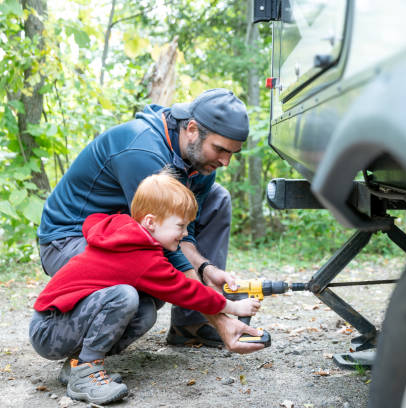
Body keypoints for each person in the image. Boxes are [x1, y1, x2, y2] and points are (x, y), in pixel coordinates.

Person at [37, 88, 254, 355]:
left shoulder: (201, 164)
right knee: (142, 291)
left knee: (218, 198)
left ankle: (191, 324)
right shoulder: (142, 150)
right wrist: (222, 319)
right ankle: (82, 361)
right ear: (193, 129)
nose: (226, 161)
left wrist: (205, 268)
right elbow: (166, 252)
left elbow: (183, 234)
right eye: (220, 149)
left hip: (128, 237)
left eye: (233, 153)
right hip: (69, 239)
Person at [29, 172, 263, 405]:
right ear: (150, 222)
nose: (184, 234)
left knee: (146, 308)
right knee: (124, 296)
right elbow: (185, 290)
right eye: (180, 226)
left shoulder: (128, 233)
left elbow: (94, 222)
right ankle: (86, 372)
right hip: (49, 328)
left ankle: (77, 365)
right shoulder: (138, 255)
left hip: (60, 324)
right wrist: (232, 305)